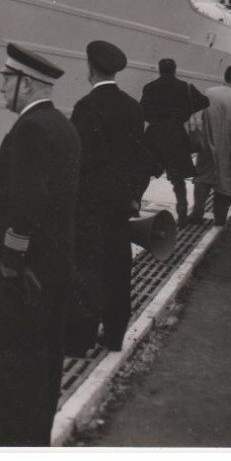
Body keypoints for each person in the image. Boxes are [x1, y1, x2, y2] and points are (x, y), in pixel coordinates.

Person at [0, 43, 81, 447]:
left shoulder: (29, 129)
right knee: (44, 361)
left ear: (26, 84)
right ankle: (33, 440)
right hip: (53, 269)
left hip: (24, 273)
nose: (0, 88)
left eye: (6, 80)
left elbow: (27, 204)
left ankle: (17, 444)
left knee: (17, 361)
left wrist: (11, 261)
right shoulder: (63, 126)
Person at [68, 40, 150, 354]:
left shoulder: (86, 107)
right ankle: (114, 335)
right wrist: (133, 197)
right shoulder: (132, 107)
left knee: (86, 271)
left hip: (89, 207)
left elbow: (77, 160)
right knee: (118, 269)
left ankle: (80, 339)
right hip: (119, 207)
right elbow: (141, 159)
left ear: (90, 67)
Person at [140, 58, 209, 226]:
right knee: (177, 178)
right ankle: (182, 213)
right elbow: (205, 101)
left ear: (159, 70)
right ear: (175, 70)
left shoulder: (149, 88)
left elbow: (142, 111)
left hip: (154, 135)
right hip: (176, 135)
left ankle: (134, 207)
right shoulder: (185, 87)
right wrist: (183, 113)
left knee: (144, 173)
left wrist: (155, 119)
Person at [188, 64, 231, 227]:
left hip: (206, 146)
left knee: (202, 178)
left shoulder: (209, 93)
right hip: (228, 150)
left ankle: (197, 214)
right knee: (225, 182)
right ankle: (220, 218)